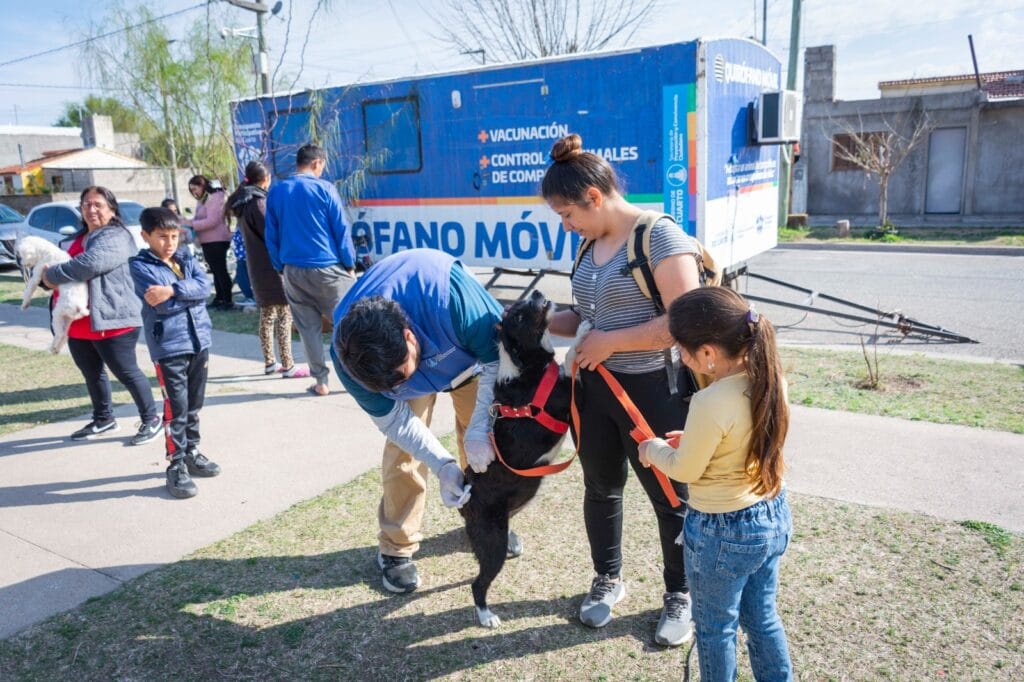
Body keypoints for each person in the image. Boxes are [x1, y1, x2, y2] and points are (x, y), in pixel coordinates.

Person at [542, 134, 702, 646]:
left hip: (655, 390)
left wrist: (610, 343)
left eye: (568, 214)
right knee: (601, 488)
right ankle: (607, 579)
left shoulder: (659, 236)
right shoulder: (590, 245)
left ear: (594, 197)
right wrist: (539, 318)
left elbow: (688, 319)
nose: (566, 226)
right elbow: (587, 316)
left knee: (671, 496)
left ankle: (681, 593)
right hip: (595, 393)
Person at [333, 248, 521, 595]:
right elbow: (396, 422)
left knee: (484, 444)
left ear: (408, 337)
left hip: (467, 360)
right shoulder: (347, 355)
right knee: (403, 454)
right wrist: (443, 464)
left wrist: (480, 428)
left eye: (403, 375)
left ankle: (486, 521)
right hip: (419, 353)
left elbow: (500, 362)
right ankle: (396, 547)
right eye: (392, 386)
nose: (403, 388)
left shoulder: (454, 299)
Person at [639, 287, 793, 680]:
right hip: (771, 514)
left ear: (707, 353)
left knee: (715, 628)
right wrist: (691, 441)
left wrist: (654, 449)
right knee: (762, 618)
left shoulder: (709, 402)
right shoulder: (769, 379)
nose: (681, 357)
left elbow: (686, 470)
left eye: (681, 351)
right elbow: (736, 442)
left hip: (723, 530)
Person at [42, 186, 162, 446]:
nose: (91, 209)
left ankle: (151, 418)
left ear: (112, 209)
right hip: (80, 320)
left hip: (112, 317)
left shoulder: (116, 236)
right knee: (92, 373)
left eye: (98, 204)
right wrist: (45, 280)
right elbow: (53, 264)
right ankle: (103, 418)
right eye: (86, 204)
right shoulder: (77, 237)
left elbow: (89, 265)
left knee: (126, 371)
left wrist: (50, 276)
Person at [130, 207, 222, 499]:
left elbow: (205, 287)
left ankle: (192, 451)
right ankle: (176, 463)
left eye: (173, 236)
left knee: (194, 404)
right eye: (161, 237)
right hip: (169, 347)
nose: (169, 243)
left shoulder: (186, 257)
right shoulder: (140, 265)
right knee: (176, 409)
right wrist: (184, 294)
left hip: (199, 341)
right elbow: (161, 306)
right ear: (146, 236)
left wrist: (170, 290)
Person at [265, 143, 357, 396]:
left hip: (293, 270)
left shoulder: (277, 191)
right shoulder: (325, 189)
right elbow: (341, 230)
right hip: (327, 269)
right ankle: (359, 378)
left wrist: (280, 267)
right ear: (317, 163)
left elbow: (270, 236)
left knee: (308, 329)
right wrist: (349, 265)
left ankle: (321, 381)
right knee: (348, 324)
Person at [227, 160, 307, 377]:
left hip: (256, 267)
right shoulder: (258, 203)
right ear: (265, 179)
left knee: (267, 315)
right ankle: (288, 365)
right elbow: (272, 234)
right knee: (284, 315)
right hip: (271, 267)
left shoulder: (242, 204)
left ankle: (270, 362)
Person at [181, 174, 234, 311]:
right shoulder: (203, 199)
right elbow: (201, 217)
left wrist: (191, 223)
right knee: (215, 271)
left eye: (195, 189)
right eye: (191, 190)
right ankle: (220, 298)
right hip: (207, 240)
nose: (194, 192)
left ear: (203, 185)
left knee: (220, 270)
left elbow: (213, 221)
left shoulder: (214, 197)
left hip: (217, 239)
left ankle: (227, 300)